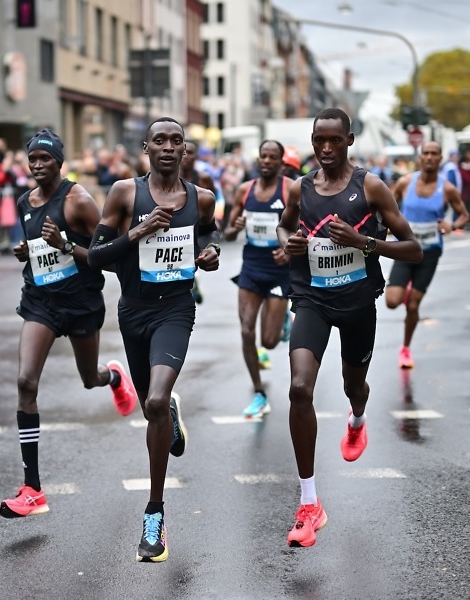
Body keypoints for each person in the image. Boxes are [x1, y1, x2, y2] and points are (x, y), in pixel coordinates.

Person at [276, 108, 423, 548]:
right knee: (299, 388)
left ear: (350, 140)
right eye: (318, 140)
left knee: (353, 385)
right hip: (312, 300)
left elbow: (413, 249)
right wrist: (291, 246)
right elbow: (285, 231)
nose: (325, 148)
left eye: (334, 140)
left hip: (358, 303)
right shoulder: (301, 188)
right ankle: (309, 503)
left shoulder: (370, 186)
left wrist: (364, 242)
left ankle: (357, 418)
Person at [88, 117, 220, 562]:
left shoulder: (202, 198)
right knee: (153, 406)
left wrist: (210, 254)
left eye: (175, 141)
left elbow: (208, 236)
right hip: (134, 312)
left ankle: (155, 515)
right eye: (159, 140)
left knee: (155, 402)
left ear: (185, 149)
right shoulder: (126, 193)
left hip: (176, 310)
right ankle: (169, 414)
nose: (168, 147)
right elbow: (95, 257)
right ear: (146, 147)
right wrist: (137, 232)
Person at [0, 128, 138, 519]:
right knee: (26, 382)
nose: (38, 165)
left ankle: (111, 377)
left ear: (59, 162)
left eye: (46, 159)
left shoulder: (78, 201)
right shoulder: (25, 200)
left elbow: (108, 256)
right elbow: (37, 250)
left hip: (80, 303)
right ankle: (33, 489)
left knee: (87, 378)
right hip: (40, 301)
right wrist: (26, 251)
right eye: (33, 160)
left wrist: (64, 244)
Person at [223, 140, 294, 418]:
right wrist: (235, 226)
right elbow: (227, 233)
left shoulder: (289, 190)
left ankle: (283, 321)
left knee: (268, 342)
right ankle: (258, 392)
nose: (266, 161)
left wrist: (288, 251)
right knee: (245, 331)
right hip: (251, 267)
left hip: (279, 270)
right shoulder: (245, 190)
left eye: (272, 157)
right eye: (262, 156)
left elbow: (304, 228)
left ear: (280, 162)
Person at [385, 141, 468, 368]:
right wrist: (390, 225)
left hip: (429, 253)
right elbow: (385, 207)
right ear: (420, 158)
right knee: (392, 301)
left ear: (440, 159)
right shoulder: (405, 182)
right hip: (404, 249)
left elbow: (463, 214)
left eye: (434, 154)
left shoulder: (447, 188)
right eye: (426, 153)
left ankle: (405, 349)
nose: (430, 157)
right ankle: (406, 289)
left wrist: (452, 225)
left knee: (413, 306)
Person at [179, 139, 217, 304]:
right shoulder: (169, 179)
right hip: (179, 229)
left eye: (191, 152)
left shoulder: (204, 178)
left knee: (196, 257)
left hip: (199, 227)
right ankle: (192, 283)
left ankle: (193, 282)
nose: (187, 156)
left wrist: (214, 221)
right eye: (184, 151)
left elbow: (212, 202)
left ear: (197, 156)